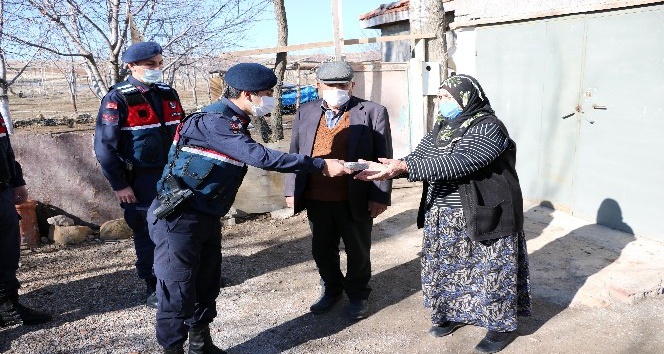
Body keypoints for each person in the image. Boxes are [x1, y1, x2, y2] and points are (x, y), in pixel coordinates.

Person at [146, 62, 350, 354]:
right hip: (178, 218)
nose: (270, 99)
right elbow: (260, 157)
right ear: (247, 94)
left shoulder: (233, 120)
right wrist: (318, 165)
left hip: (204, 216)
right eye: (266, 93)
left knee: (206, 283)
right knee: (177, 290)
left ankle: (200, 345)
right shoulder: (214, 121)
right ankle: (172, 349)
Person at [356, 74, 531, 353]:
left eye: (447, 97)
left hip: (484, 211)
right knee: (447, 266)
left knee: (490, 270)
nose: (441, 102)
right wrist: (399, 164)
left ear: (467, 97)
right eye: (439, 97)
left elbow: (461, 162)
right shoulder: (443, 127)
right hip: (443, 213)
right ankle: (450, 314)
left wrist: (405, 169)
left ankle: (500, 327)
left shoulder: (489, 127)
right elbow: (422, 156)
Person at [284, 61, 393, 321]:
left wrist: (380, 195)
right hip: (316, 196)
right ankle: (331, 289)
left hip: (355, 195)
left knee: (357, 249)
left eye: (342, 85)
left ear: (352, 86)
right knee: (322, 248)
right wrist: (291, 190)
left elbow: (384, 157)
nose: (336, 90)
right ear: (318, 86)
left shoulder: (372, 111)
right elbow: (295, 153)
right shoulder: (305, 112)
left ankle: (357, 294)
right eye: (329, 85)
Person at [94, 41, 184, 308]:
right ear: (131, 66)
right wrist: (120, 185)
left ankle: (186, 277)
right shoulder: (117, 98)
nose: (157, 68)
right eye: (150, 64)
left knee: (183, 226)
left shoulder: (168, 93)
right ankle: (153, 285)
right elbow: (104, 147)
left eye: (159, 63)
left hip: (174, 173)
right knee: (147, 232)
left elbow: (182, 132)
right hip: (141, 178)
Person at [0, 113, 52, 327]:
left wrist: (17, 180)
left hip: (2, 190)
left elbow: (5, 149)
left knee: (7, 251)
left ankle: (7, 307)